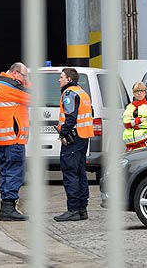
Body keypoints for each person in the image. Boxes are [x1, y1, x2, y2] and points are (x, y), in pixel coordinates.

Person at [0, 62, 30, 221]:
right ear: (14, 73)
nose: (25, 79)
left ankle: (6, 207)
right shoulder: (11, 87)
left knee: (5, 172)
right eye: (24, 75)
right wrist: (27, 82)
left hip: (2, 139)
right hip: (14, 139)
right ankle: (8, 209)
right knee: (14, 173)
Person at [53, 68, 95, 222]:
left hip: (73, 139)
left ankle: (73, 210)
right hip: (83, 137)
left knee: (70, 173)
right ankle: (82, 209)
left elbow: (70, 118)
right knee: (80, 172)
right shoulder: (83, 93)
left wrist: (63, 134)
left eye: (61, 77)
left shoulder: (69, 94)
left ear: (69, 79)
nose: (59, 80)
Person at [122, 81, 147, 152]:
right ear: (133, 93)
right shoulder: (130, 107)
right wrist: (139, 120)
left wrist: (134, 124)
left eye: (141, 91)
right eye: (136, 91)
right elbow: (126, 122)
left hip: (144, 143)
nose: (139, 93)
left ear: (145, 92)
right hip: (130, 145)